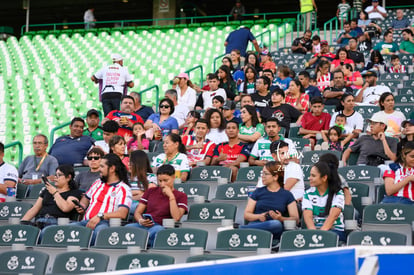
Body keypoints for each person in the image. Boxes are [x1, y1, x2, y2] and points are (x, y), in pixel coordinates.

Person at [72, 153, 132, 245]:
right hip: (86, 222)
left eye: (102, 166)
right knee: (69, 229)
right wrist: (82, 206)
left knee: (98, 232)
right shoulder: (97, 182)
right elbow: (86, 198)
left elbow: (122, 213)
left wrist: (100, 216)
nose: (99, 169)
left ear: (112, 168)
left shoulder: (123, 189)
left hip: (106, 224)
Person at [126, 164, 188, 246]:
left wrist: (171, 197)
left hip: (161, 226)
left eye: (166, 180)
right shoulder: (151, 191)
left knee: (158, 230)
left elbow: (176, 217)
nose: (162, 184)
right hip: (145, 225)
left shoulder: (181, 196)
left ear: (173, 177)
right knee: (127, 228)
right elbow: (137, 212)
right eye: (160, 181)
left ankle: (142, 242)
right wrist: (141, 220)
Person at [240, 161, 299, 240]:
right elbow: (246, 215)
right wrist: (259, 216)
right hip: (256, 224)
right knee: (272, 224)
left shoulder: (287, 195)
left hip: (274, 228)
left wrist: (280, 218)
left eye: (266, 174)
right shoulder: (258, 192)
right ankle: (244, 229)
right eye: (262, 173)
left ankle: (240, 229)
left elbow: (296, 219)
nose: (263, 176)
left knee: (275, 224)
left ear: (275, 177)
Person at [302, 161, 346, 242]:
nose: (309, 178)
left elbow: (333, 216)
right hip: (314, 230)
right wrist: (313, 234)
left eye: (313, 176)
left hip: (335, 231)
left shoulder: (338, 193)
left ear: (324, 178)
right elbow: (307, 216)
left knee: (326, 239)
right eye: (310, 175)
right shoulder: (308, 193)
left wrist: (320, 235)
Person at [128, 150, 157, 219]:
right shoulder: (126, 178)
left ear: (137, 164)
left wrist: (129, 197)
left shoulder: (151, 177)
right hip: (127, 205)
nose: (128, 164)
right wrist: (138, 192)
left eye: (130, 162)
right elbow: (121, 194)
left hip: (141, 205)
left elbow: (149, 195)